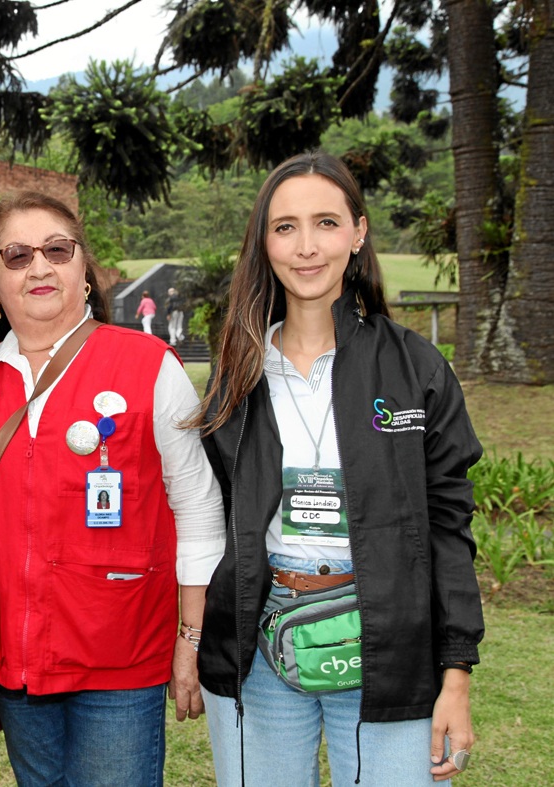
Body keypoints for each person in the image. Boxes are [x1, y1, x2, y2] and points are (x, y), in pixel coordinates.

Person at [191, 151, 483, 786]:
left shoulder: (416, 369)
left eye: (326, 222)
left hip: (390, 650)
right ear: (263, 242)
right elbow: (204, 521)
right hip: (259, 652)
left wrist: (455, 677)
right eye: (285, 226)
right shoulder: (237, 375)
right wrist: (193, 641)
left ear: (358, 232)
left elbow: (447, 526)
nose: (306, 247)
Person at [0, 191, 225, 786]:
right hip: (17, 665)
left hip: (120, 660)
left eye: (58, 249)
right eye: (17, 255)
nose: (40, 266)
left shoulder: (148, 364)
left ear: (84, 270)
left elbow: (199, 509)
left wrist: (191, 638)